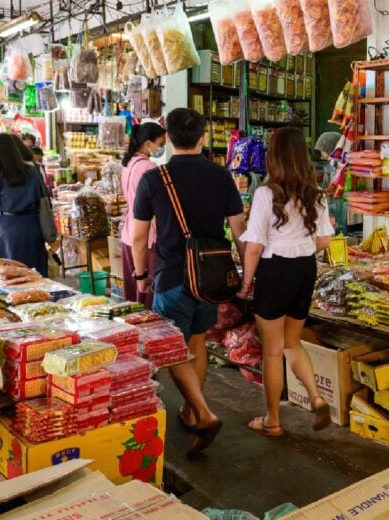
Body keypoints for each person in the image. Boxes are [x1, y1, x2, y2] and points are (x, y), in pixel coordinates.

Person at [131, 108, 246, 455]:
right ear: (202, 137)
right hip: (211, 278)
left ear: (168, 139)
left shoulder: (154, 179)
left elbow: (139, 237)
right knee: (196, 343)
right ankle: (192, 412)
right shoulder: (220, 176)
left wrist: (140, 276)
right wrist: (245, 275)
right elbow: (240, 231)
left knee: (170, 348)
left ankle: (204, 413)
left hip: (172, 276)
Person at [239, 127, 334, 437]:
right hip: (304, 269)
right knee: (293, 342)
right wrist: (301, 248)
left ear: (274, 157)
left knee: (272, 351)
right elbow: (324, 240)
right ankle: (316, 397)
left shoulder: (267, 194)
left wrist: (246, 281)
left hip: (274, 269)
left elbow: (254, 245)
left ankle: (272, 420)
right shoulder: (315, 194)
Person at [0, 134, 48, 275]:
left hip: (9, 230)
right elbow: (43, 198)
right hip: (33, 226)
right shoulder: (32, 171)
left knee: (10, 272)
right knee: (35, 270)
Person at [120, 122, 167, 309]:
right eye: (160, 143)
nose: (161, 148)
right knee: (147, 292)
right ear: (148, 143)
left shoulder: (129, 164)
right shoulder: (148, 167)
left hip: (128, 233)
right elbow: (154, 209)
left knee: (133, 293)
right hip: (146, 235)